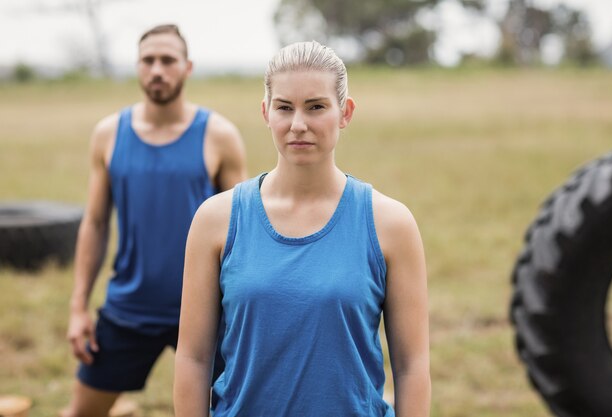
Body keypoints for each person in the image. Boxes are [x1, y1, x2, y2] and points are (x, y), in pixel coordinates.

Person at [174, 41, 430, 416]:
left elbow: (411, 366)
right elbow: (194, 359)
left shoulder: (390, 224)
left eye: (316, 107)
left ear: (345, 112)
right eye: (284, 107)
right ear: (266, 112)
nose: (298, 125)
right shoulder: (216, 220)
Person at [62, 24, 247, 417]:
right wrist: (79, 307)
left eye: (168, 60)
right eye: (148, 61)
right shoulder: (110, 134)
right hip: (129, 309)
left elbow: (245, 234)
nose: (157, 70)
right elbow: (95, 223)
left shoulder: (219, 135)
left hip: (206, 312)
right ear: (137, 67)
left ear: (188, 67)